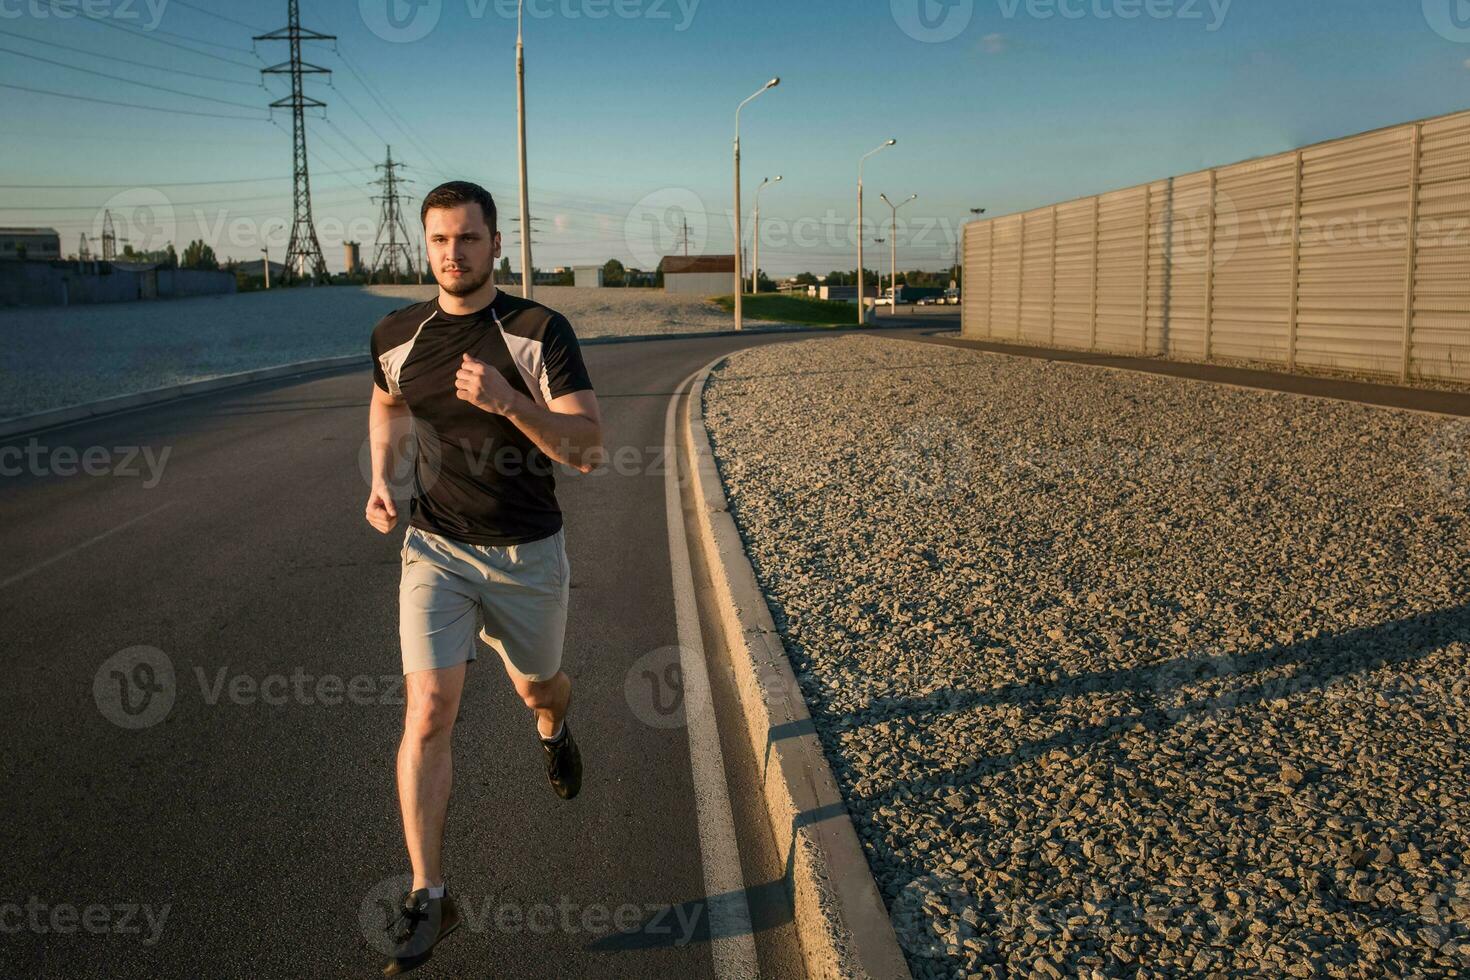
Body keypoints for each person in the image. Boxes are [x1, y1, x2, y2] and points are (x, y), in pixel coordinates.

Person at [364, 180, 604, 975]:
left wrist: (507, 402)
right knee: (429, 709)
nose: (452, 254)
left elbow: (588, 447)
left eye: (467, 238)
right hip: (437, 548)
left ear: (495, 243)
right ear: (423, 246)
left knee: (541, 687)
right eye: (438, 240)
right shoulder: (398, 334)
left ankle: (553, 726)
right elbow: (389, 403)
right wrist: (383, 479)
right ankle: (431, 894)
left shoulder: (539, 331)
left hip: (527, 551)